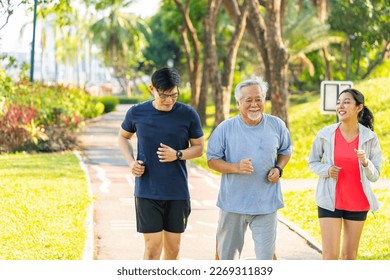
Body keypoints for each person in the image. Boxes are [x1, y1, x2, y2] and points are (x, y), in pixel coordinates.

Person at [118, 67, 204, 260]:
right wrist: (131, 162)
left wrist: (178, 154)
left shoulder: (188, 114)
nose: (169, 101)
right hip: (147, 191)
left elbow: (199, 147)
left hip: (177, 192)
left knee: (173, 251)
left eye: (174, 95)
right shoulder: (137, 112)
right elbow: (123, 137)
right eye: (164, 95)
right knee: (152, 250)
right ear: (152, 89)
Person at [206, 77, 292, 260]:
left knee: (266, 259)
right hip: (232, 204)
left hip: (266, 204)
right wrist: (235, 167)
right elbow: (212, 160)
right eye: (249, 100)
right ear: (238, 103)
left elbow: (285, 151)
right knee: (226, 259)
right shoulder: (225, 128)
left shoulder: (277, 125)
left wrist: (278, 168)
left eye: (258, 99)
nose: (254, 105)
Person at [308, 88, 382, 260]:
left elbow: (375, 175)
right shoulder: (325, 134)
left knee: (349, 256)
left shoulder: (370, 138)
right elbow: (312, 161)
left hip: (358, 202)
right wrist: (326, 170)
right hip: (329, 201)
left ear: (359, 107)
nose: (341, 106)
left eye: (346, 102)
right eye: (339, 102)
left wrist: (365, 163)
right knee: (330, 255)